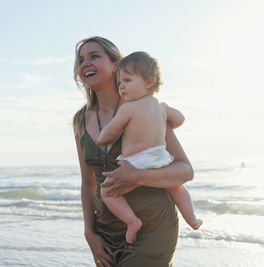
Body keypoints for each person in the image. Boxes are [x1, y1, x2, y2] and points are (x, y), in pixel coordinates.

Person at [73, 36, 194, 267]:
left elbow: (185, 171)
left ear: (116, 64)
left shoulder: (145, 107)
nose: (85, 64)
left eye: (94, 56)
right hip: (106, 232)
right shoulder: (80, 121)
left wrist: (136, 176)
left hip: (153, 225)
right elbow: (88, 184)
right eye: (80, 60)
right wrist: (90, 233)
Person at [97, 51, 202, 244]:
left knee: (107, 192)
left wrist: (101, 137)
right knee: (177, 187)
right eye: (119, 82)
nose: (121, 87)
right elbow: (180, 119)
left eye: (127, 81)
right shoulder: (161, 107)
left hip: (136, 162)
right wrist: (164, 119)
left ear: (148, 82)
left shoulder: (128, 108)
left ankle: (131, 221)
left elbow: (109, 133)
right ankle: (191, 217)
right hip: (160, 159)